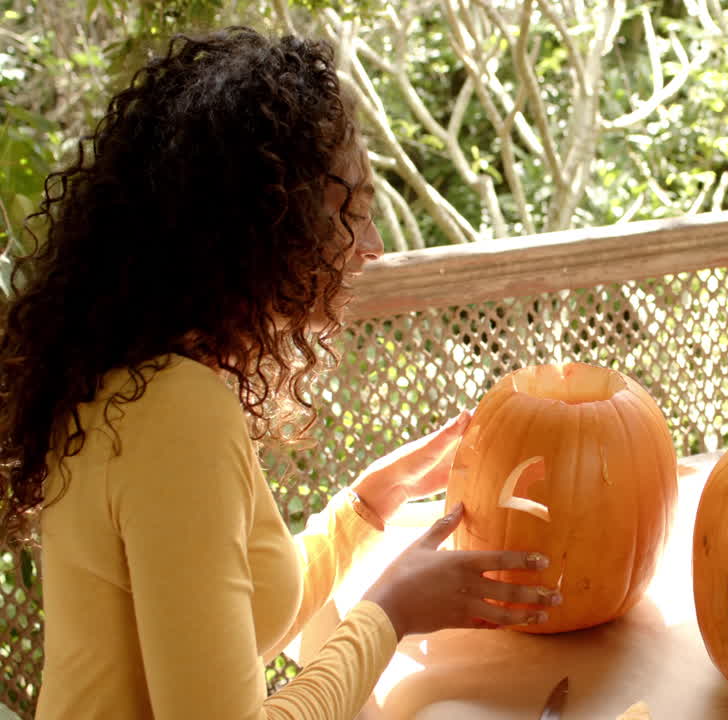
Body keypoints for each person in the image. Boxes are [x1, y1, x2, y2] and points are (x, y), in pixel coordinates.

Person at [0, 27, 560, 719]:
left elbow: (227, 614)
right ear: (262, 227)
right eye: (347, 210)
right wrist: (390, 612)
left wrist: (366, 506)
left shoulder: (140, 379)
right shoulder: (174, 412)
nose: (373, 247)